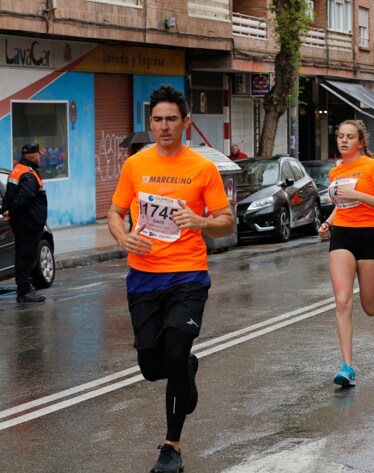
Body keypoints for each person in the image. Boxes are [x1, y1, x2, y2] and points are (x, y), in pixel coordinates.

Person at [107, 85, 235, 473]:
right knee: (151, 365)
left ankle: (171, 447)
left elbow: (226, 222)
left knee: (176, 353)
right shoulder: (135, 165)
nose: (164, 126)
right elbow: (115, 213)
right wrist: (121, 235)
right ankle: (185, 370)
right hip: (143, 277)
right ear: (151, 123)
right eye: (158, 120)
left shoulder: (202, 168)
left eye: (171, 119)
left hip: (188, 276)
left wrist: (201, 222)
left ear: (185, 123)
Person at [317, 119, 374, 387]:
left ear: (360, 142)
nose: (344, 140)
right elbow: (342, 206)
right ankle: (347, 366)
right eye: (340, 136)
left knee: (369, 307)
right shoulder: (335, 172)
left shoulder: (373, 167)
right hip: (342, 236)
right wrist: (328, 222)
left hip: (371, 236)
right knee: (342, 300)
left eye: (350, 137)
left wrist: (360, 195)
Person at [1, 143, 48, 303]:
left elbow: (8, 195)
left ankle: (25, 288)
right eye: (38, 154)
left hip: (23, 223)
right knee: (26, 257)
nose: (39, 157)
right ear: (34, 155)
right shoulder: (28, 173)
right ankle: (25, 291)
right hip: (28, 223)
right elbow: (25, 196)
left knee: (23, 255)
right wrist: (11, 212)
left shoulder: (17, 171)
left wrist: (7, 211)